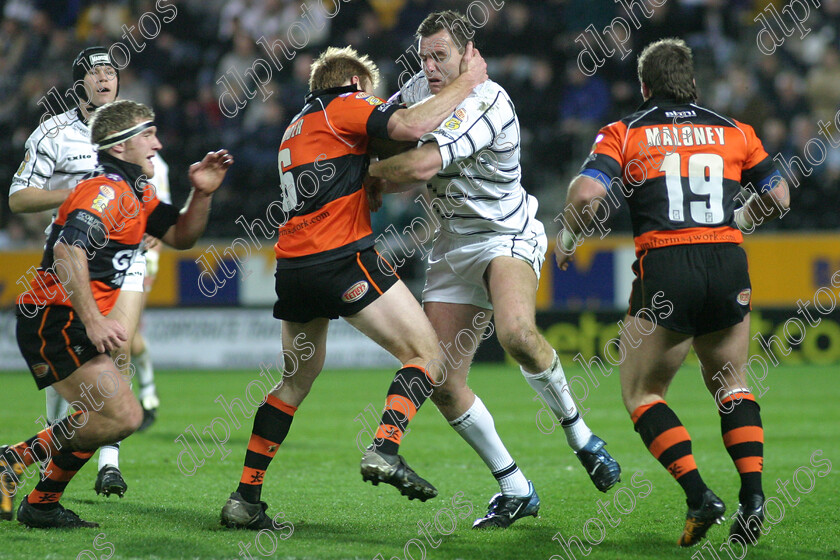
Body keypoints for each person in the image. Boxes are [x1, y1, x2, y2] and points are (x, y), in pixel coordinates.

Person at [366, 10, 621, 529]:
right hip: (452, 241)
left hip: (506, 232)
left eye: (442, 56)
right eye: (425, 57)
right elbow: (378, 133)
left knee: (517, 334)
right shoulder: (417, 90)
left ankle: (582, 437)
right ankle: (514, 486)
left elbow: (416, 168)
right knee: (438, 376)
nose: (431, 67)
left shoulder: (490, 101)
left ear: (468, 54)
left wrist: (367, 175)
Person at [219, 43, 488, 531]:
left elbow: (354, 165)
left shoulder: (295, 127)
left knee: (295, 382)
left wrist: (376, 176)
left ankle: (245, 498)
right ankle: (385, 447)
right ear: (357, 85)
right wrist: (466, 83)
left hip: (295, 269)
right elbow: (406, 126)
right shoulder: (345, 104)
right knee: (428, 356)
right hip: (340, 259)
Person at [554, 38, 790, 547]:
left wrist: (570, 235)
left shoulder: (626, 131)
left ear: (644, 86)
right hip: (727, 262)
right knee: (732, 382)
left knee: (643, 394)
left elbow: (588, 193)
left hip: (667, 265)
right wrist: (742, 219)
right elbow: (779, 193)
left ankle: (700, 495)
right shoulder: (734, 130)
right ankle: (753, 497)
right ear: (694, 83)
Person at [0, 99, 232, 528]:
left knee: (112, 419)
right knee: (120, 416)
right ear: (121, 146)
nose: (157, 144)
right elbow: (70, 250)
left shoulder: (136, 191)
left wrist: (202, 193)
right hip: (55, 319)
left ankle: (40, 499)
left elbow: (181, 235)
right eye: (148, 134)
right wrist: (93, 320)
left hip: (67, 319)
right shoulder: (105, 190)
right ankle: (16, 465)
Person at [6, 46, 165, 504]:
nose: (103, 78)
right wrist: (73, 193)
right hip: (70, 261)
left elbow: (151, 188)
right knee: (75, 372)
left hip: (125, 264)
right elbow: (18, 197)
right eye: (94, 71)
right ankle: (39, 477)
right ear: (80, 83)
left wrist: (152, 223)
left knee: (116, 355)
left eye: (110, 71)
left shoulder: (133, 129)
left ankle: (108, 463)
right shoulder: (53, 133)